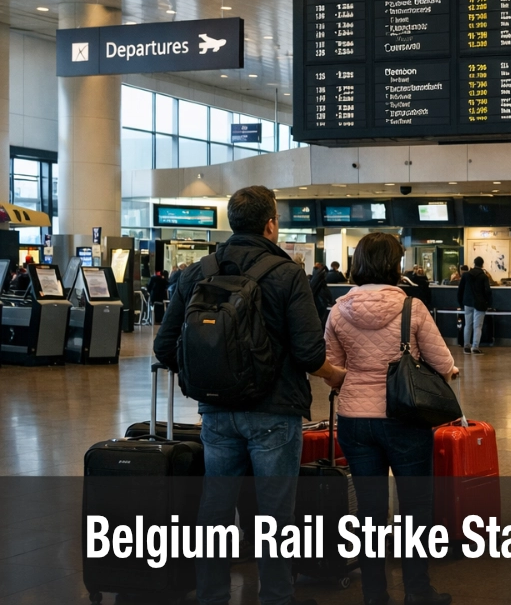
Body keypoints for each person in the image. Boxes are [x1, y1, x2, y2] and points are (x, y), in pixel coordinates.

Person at [154, 185, 344, 605]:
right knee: (275, 514)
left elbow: (164, 348)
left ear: (232, 222)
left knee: (215, 510)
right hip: (275, 412)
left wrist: (211, 370)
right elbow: (309, 353)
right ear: (270, 224)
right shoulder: (288, 274)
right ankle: (276, 596)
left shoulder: (198, 272)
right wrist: (335, 376)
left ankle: (211, 596)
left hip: (216, 411)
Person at [323, 233, 456, 605]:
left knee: (369, 511)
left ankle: (374, 595)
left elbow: (331, 368)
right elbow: (443, 363)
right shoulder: (412, 307)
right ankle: (417, 591)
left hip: (355, 420)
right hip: (404, 417)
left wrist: (355, 379)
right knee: (415, 507)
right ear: (394, 265)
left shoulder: (338, 310)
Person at [457, 256, 492, 354]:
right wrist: (488, 303)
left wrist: (461, 302)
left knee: (468, 325)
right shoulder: (484, 276)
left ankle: (466, 347)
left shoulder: (466, 275)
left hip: (467, 302)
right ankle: (475, 347)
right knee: (477, 326)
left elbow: (460, 290)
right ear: (482, 265)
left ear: (474, 263)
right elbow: (488, 291)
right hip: (480, 303)